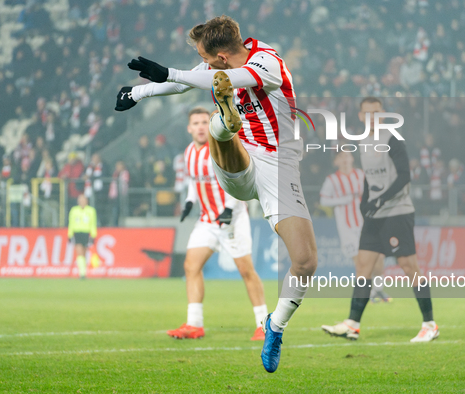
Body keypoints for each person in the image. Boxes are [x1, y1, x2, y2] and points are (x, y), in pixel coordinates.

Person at [116, 15, 317, 373]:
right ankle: (223, 122)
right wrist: (137, 92)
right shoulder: (217, 67)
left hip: (280, 166)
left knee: (305, 261)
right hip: (240, 160)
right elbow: (183, 85)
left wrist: (169, 71)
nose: (203, 62)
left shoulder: (267, 61)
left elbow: (231, 78)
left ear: (222, 55)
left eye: (206, 58)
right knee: (222, 130)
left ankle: (274, 326)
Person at [321, 97, 438, 343]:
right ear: (361, 117)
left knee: (409, 267)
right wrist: (366, 202)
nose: (372, 117)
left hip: (397, 212)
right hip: (375, 214)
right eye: (367, 113)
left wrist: (381, 199)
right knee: (363, 266)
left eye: (377, 112)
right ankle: (352, 324)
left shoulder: (392, 139)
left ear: (383, 114)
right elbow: (368, 178)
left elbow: (405, 175)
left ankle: (430, 324)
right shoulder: (363, 141)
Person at [167, 107, 268, 341]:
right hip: (207, 221)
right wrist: (190, 202)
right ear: (189, 128)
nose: (201, 127)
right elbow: (194, 180)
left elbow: (238, 179)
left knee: (246, 271)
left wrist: (228, 209)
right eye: (196, 123)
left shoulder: (221, 147)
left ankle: (264, 325)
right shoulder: (189, 152)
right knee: (191, 266)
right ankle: (194, 324)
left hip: (232, 219)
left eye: (205, 122)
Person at [319, 151, 391, 303]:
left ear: (352, 158)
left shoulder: (361, 175)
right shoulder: (332, 180)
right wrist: (343, 199)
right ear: (336, 162)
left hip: (367, 223)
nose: (345, 159)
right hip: (347, 228)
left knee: (379, 258)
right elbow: (324, 201)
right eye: (341, 157)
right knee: (361, 263)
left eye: (347, 156)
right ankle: (367, 294)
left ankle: (378, 290)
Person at [67, 194, 97, 280]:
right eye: (80, 200)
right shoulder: (74, 210)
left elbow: (93, 223)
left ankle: (83, 272)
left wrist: (93, 235)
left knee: (84, 253)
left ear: (86, 201)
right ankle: (82, 273)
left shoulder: (91, 211)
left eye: (83, 200)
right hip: (77, 233)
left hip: (86, 233)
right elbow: (71, 223)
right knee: (79, 252)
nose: (82, 201)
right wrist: (70, 234)